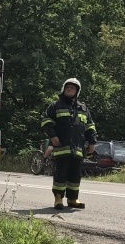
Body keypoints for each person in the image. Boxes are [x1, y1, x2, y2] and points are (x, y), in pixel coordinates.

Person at [41, 78, 97, 209]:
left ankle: (72, 199)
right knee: (61, 173)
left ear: (77, 91)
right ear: (63, 89)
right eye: (68, 87)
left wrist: (92, 143)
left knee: (75, 175)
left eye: (73, 87)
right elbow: (46, 122)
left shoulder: (83, 108)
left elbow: (90, 127)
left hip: (77, 149)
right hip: (61, 147)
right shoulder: (55, 106)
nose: (70, 88)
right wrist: (53, 136)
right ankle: (58, 198)